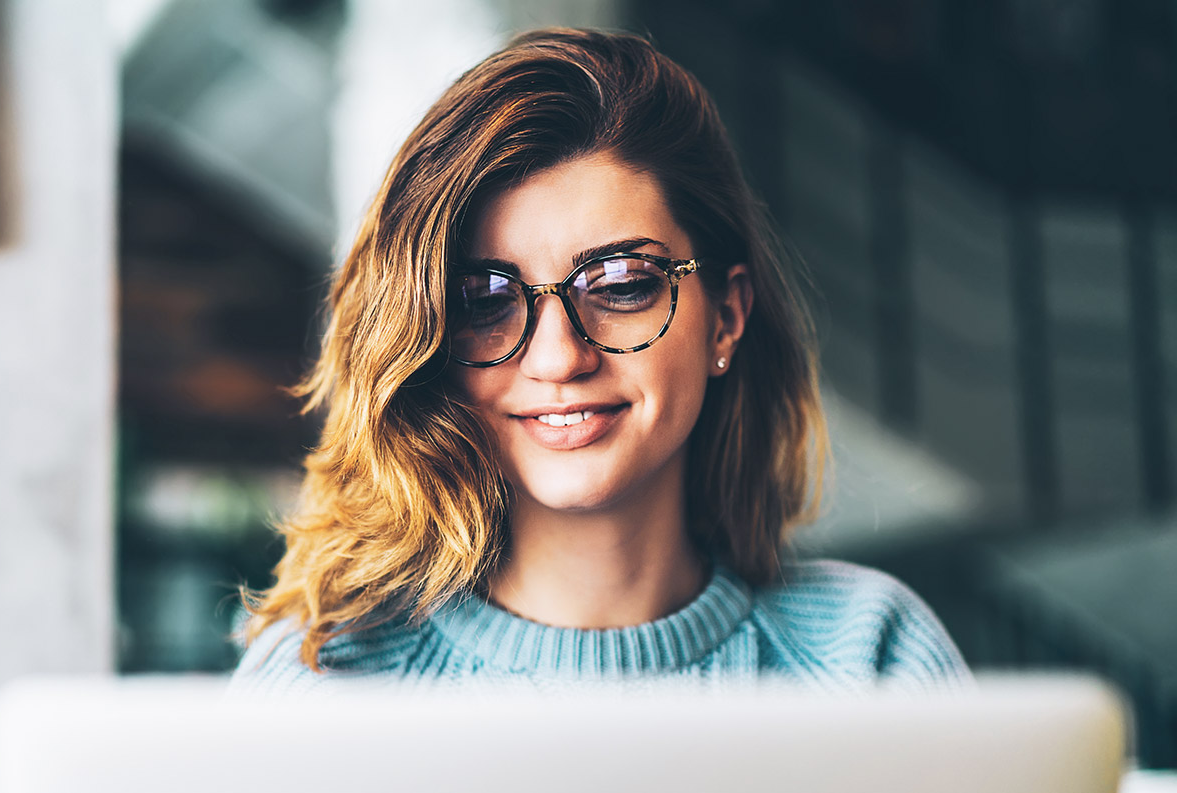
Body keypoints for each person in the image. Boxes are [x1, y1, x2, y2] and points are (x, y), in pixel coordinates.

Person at [232, 28, 967, 694]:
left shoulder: (872, 660)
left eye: (620, 285)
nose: (558, 357)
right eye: (486, 300)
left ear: (728, 317)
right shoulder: (320, 684)